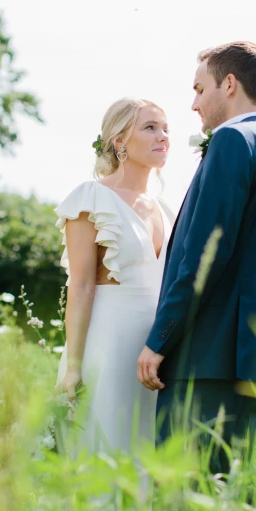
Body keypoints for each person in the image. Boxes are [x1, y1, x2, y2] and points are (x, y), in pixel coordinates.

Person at [137, 42, 256, 475]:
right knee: (226, 504)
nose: (193, 104)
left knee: (182, 503)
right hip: (253, 361)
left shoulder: (231, 140)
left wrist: (161, 339)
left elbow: (204, 255)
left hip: (204, 360)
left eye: (199, 89)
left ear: (229, 84)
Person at [55, 97, 174, 455]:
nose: (163, 137)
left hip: (155, 351)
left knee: (146, 453)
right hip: (108, 342)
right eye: (150, 127)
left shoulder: (165, 209)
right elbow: (80, 285)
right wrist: (74, 367)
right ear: (119, 140)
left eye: (166, 128)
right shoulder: (90, 198)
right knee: (103, 449)